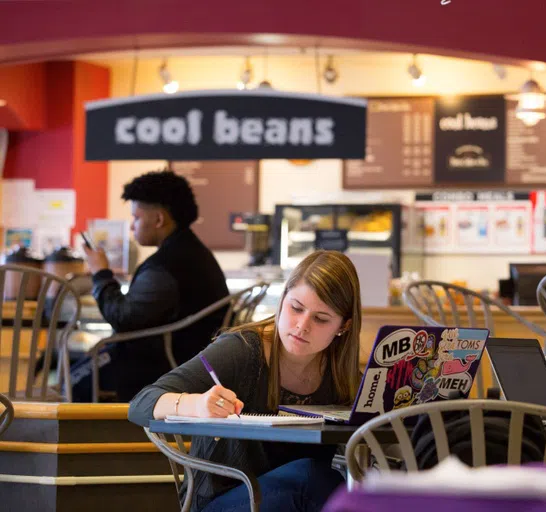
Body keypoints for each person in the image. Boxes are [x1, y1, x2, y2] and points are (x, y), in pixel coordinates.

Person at [128, 250, 361, 512]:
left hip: (295, 501)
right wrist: (197, 404)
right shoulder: (243, 351)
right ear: (282, 299)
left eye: (321, 319)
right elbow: (140, 403)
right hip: (223, 501)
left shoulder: (342, 374)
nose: (302, 325)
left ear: (344, 326)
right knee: (313, 479)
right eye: (296, 308)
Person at [72, 170, 229, 402]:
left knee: (70, 376)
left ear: (158, 219)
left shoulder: (165, 267)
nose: (133, 227)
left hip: (161, 367)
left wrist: (101, 273)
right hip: (194, 361)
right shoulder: (194, 253)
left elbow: (124, 319)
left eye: (136, 218)